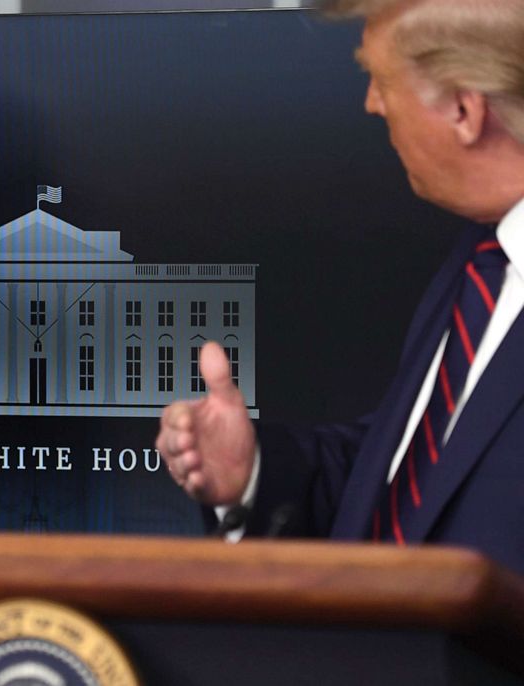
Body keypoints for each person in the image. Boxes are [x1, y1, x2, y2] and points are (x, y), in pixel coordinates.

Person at [157, 0, 524, 575]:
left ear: (463, 110)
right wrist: (253, 472)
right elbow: (412, 482)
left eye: (380, 80)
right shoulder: (481, 261)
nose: (371, 104)